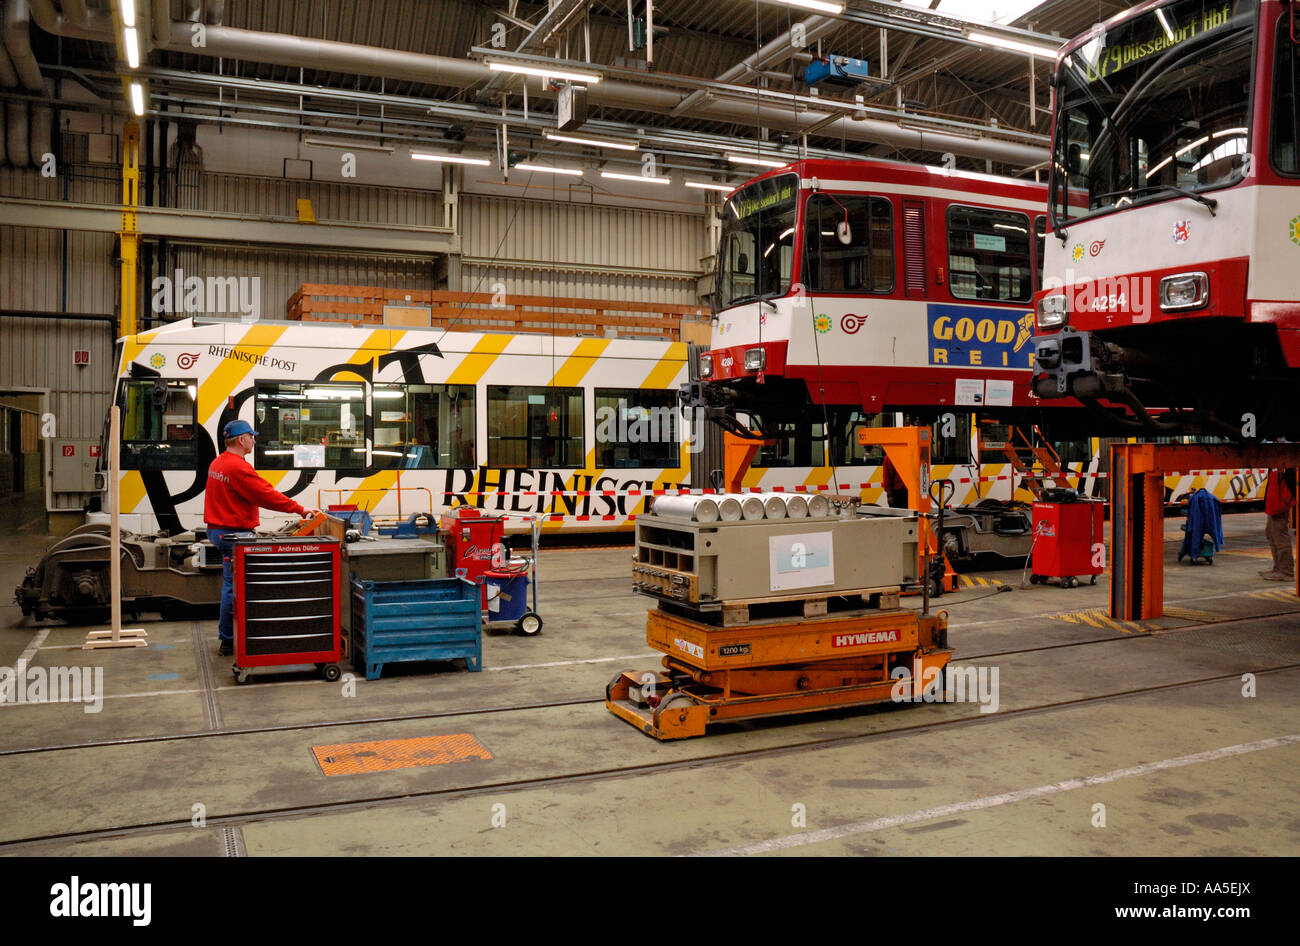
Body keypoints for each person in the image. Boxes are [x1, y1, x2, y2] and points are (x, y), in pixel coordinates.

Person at [204, 419, 319, 656]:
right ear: (240, 440)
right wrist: (300, 509)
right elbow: (266, 495)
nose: (254, 440)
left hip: (219, 530)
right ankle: (231, 640)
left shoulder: (218, 462)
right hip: (233, 534)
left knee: (231, 586)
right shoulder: (237, 467)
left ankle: (233, 637)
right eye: (251, 436)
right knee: (236, 588)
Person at [1260, 468, 1296, 582]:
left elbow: (1292, 485)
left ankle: (1286, 571)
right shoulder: (1276, 463)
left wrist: (1287, 501)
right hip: (1274, 504)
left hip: (1279, 505)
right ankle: (1277, 568)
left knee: (1280, 537)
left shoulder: (1287, 465)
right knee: (1271, 533)